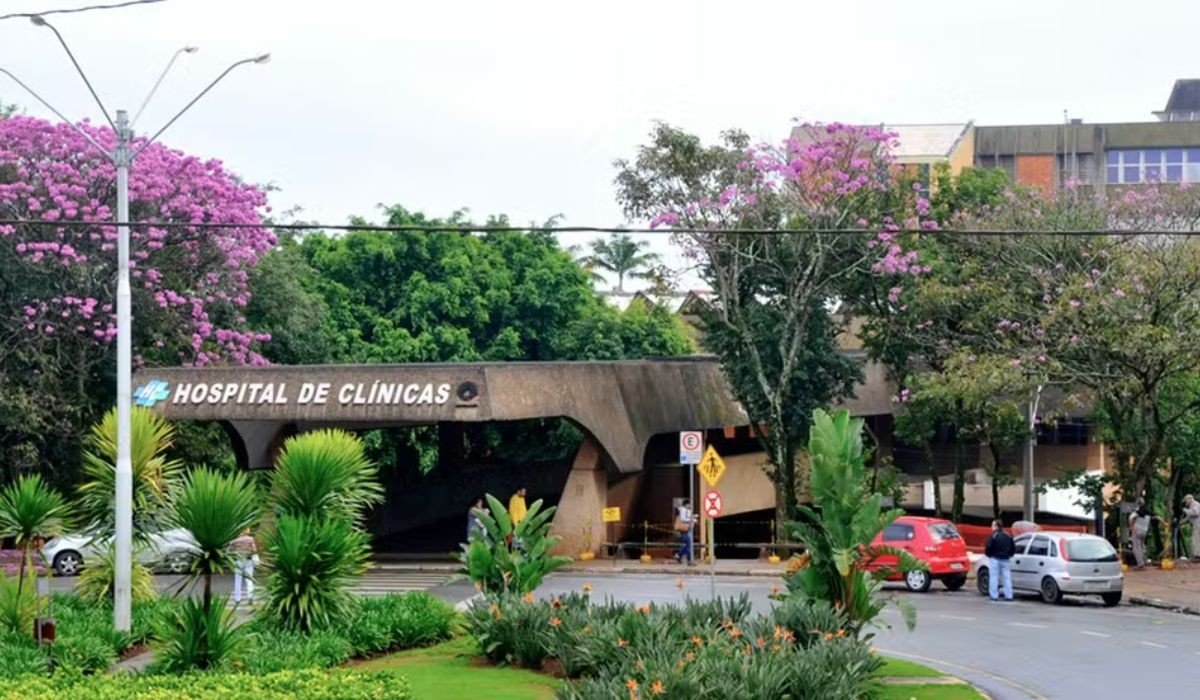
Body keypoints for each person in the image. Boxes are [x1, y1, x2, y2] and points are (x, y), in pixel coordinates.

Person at [984, 519, 1015, 602]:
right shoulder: (1008, 535)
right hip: (1006, 559)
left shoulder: (994, 535)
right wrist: (1010, 555)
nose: (991, 527)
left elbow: (988, 547)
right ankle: (1009, 595)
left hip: (995, 559)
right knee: (1007, 578)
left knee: (994, 578)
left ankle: (994, 596)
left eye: (992, 525)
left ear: (996, 526)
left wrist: (989, 555)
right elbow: (1013, 547)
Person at [231, 528, 258, 605]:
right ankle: (250, 597)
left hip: (238, 560)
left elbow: (231, 550)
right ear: (246, 531)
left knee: (238, 579)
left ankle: (237, 599)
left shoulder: (235, 540)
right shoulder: (250, 539)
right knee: (249, 579)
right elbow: (254, 550)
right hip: (248, 560)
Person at [1129, 498, 1152, 569]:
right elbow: (1156, 517)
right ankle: (1144, 561)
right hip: (1144, 531)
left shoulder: (1137, 511)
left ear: (1137, 503)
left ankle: (1140, 563)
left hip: (1137, 530)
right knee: (1142, 546)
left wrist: (1131, 527)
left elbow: (1130, 518)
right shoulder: (1148, 512)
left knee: (1136, 547)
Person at [673, 499, 694, 564]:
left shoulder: (685, 512)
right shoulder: (681, 513)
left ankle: (681, 556)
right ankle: (680, 555)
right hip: (683, 531)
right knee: (689, 545)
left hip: (686, 531)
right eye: (689, 504)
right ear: (686, 505)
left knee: (688, 545)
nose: (690, 506)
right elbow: (680, 524)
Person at [1183, 494, 1200, 561]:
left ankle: (1197, 556)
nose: (1186, 503)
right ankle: (1197, 555)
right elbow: (1189, 517)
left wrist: (1185, 510)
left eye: (1186, 501)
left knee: (1196, 540)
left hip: (1198, 525)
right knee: (1196, 540)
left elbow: (1196, 513)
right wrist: (1181, 522)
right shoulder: (1192, 506)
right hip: (1196, 525)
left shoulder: (1195, 504)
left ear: (1190, 499)